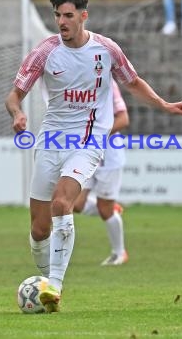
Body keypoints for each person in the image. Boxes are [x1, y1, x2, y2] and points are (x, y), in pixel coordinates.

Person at [5, 0, 182, 313]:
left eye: (68, 16)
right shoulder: (44, 52)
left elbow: (134, 82)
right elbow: (13, 95)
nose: (62, 22)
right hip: (52, 140)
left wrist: (164, 105)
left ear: (83, 16)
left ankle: (54, 284)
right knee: (39, 229)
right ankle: (44, 279)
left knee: (63, 202)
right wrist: (18, 113)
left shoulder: (106, 50)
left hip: (90, 140)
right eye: (57, 16)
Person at [73, 81, 129, 266]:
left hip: (109, 158)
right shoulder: (76, 83)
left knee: (105, 211)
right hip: (86, 154)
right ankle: (112, 209)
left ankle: (119, 253)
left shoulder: (108, 84)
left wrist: (95, 134)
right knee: (75, 203)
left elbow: (123, 119)